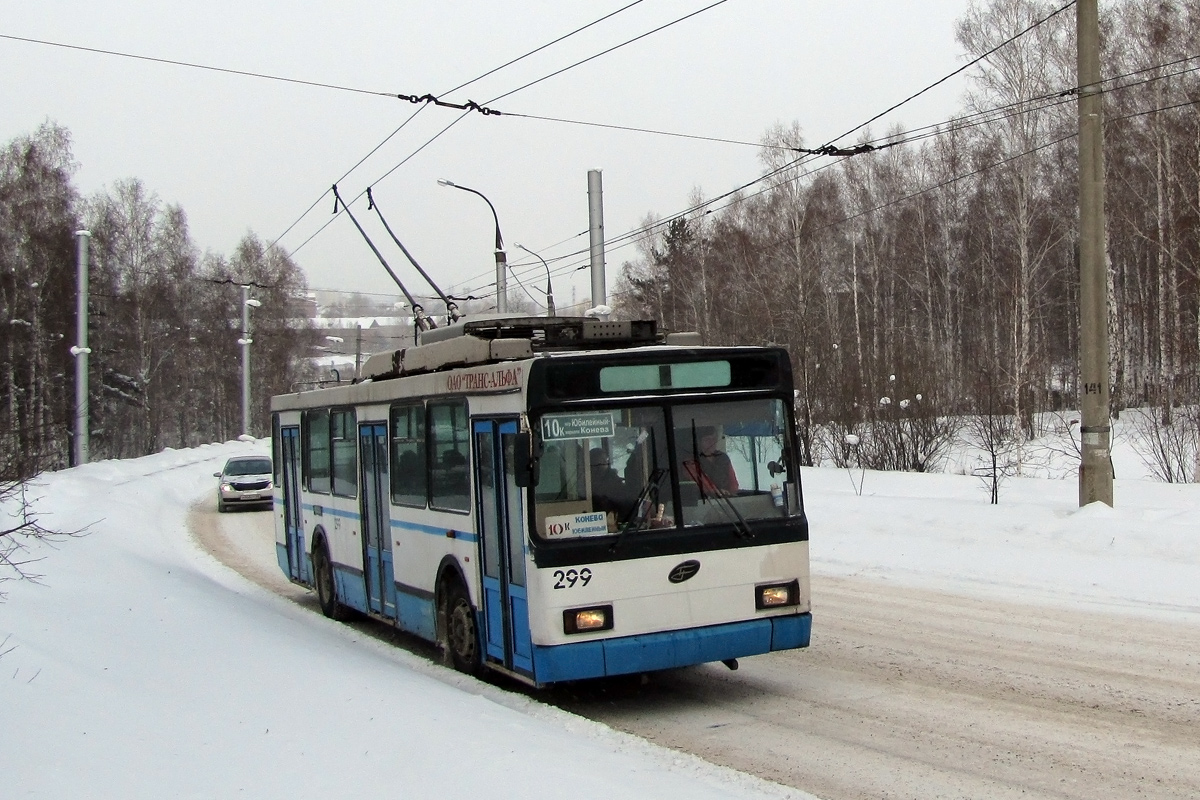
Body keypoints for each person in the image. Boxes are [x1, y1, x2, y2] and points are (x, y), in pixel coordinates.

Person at [683, 426, 739, 495]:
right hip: (705, 502)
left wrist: (733, 494)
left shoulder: (723, 458)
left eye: (714, 439)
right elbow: (703, 484)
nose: (712, 442)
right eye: (707, 440)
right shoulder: (690, 461)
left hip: (727, 500)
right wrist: (716, 492)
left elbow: (733, 483)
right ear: (699, 442)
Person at [589, 447, 628, 516]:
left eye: (606, 459)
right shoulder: (586, 480)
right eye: (601, 459)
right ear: (592, 462)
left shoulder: (614, 479)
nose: (605, 462)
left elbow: (623, 500)